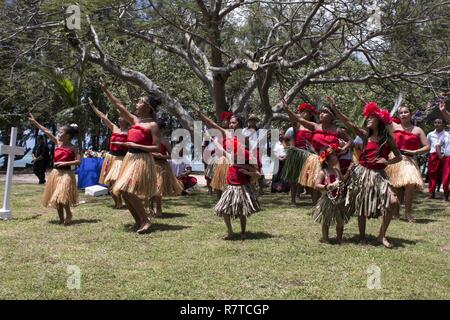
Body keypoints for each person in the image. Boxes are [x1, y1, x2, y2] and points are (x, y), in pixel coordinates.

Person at [327, 97, 401, 248]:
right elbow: (349, 123)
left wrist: (387, 162)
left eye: (371, 117)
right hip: (363, 173)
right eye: (368, 117)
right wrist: (335, 110)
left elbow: (399, 156)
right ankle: (362, 237)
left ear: (379, 121)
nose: (367, 119)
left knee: (393, 201)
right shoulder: (365, 136)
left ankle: (381, 236)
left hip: (379, 174)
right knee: (362, 205)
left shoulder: (387, 139)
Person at [100, 81, 161, 234]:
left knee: (128, 190)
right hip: (130, 158)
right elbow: (119, 106)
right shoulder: (135, 120)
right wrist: (107, 91)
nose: (137, 104)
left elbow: (156, 147)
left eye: (140, 102)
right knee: (123, 190)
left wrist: (137, 145)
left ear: (148, 106)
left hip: (142, 159)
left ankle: (145, 220)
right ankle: (139, 221)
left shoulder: (153, 125)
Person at [282, 99, 352, 205]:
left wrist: (343, 148)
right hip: (317, 158)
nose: (321, 114)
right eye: (321, 113)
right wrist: (288, 110)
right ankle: (316, 205)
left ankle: (336, 202)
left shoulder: (337, 130)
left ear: (332, 116)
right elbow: (299, 119)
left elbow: (350, 140)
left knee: (335, 180)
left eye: (325, 112)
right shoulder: (315, 126)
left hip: (332, 159)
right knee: (316, 182)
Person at [28, 114, 80, 225]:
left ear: (67, 135)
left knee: (62, 197)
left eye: (61, 132)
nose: (58, 134)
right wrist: (35, 122)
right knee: (56, 198)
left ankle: (69, 214)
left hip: (67, 174)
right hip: (55, 173)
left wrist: (64, 162)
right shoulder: (57, 143)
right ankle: (61, 218)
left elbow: (78, 162)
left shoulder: (73, 148)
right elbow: (46, 131)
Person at [384, 105, 430, 222]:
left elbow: (427, 147)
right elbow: (381, 115)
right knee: (395, 186)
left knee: (410, 185)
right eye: (401, 113)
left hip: (409, 160)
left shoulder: (417, 130)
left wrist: (415, 151)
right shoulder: (393, 126)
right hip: (395, 158)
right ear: (398, 115)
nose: (403, 114)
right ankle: (395, 213)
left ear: (411, 114)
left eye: (406, 112)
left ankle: (408, 213)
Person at [214, 139, 261, 240]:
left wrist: (247, 173)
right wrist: (213, 139)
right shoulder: (230, 158)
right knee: (224, 210)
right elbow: (221, 149)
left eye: (235, 152)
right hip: (230, 188)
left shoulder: (246, 165)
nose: (233, 154)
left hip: (242, 189)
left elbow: (258, 175)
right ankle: (230, 232)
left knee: (242, 212)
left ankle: (243, 232)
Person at [88, 98, 129, 209]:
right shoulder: (114, 128)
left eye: (123, 117)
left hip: (122, 158)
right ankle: (118, 202)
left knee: (118, 180)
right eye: (120, 117)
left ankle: (125, 201)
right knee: (110, 181)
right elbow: (103, 117)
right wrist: (93, 106)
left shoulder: (130, 131)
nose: (120, 118)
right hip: (111, 157)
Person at [313, 144, 351, 244]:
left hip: (339, 199)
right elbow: (316, 184)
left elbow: (343, 179)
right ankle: (325, 238)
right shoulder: (323, 172)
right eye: (334, 155)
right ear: (327, 159)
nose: (336, 157)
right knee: (326, 219)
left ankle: (339, 238)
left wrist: (349, 170)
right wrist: (326, 186)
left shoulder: (336, 171)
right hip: (327, 199)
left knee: (340, 219)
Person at [281, 102, 317, 204]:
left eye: (304, 112)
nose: (302, 114)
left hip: (310, 154)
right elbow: (293, 118)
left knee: (311, 177)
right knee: (294, 178)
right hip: (297, 154)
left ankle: (314, 201)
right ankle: (293, 200)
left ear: (310, 114)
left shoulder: (313, 126)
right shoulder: (297, 125)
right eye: (301, 112)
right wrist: (287, 110)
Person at [194, 110, 233, 198]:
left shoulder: (230, 133)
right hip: (219, 159)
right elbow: (212, 124)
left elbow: (212, 124)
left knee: (227, 183)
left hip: (228, 160)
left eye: (226, 120)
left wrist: (203, 117)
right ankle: (219, 200)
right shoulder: (220, 132)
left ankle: (224, 199)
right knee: (218, 182)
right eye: (223, 120)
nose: (224, 122)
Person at [150, 120, 184, 216]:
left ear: (162, 130)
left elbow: (172, 156)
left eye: (159, 129)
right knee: (150, 188)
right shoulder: (150, 139)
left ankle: (159, 209)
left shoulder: (164, 141)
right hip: (150, 164)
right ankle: (150, 208)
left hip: (161, 166)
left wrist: (162, 156)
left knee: (158, 188)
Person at [427, 118, 447, 199]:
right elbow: (427, 146)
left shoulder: (447, 134)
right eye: (435, 122)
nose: (437, 124)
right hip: (433, 156)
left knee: (446, 175)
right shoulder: (430, 134)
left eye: (439, 122)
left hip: (444, 155)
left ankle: (446, 194)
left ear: (443, 124)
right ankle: (431, 193)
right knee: (432, 175)